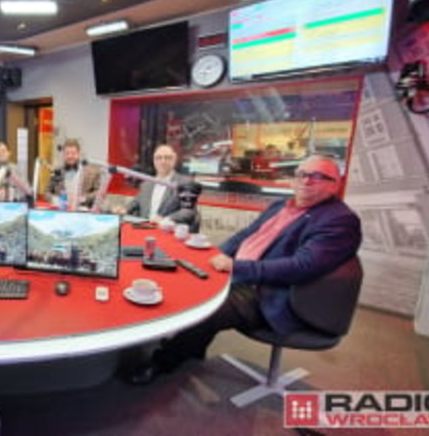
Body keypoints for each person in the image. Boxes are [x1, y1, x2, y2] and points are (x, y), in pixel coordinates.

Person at [128, 155, 362, 385]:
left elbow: (301, 267)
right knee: (186, 277)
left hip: (272, 294)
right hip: (244, 275)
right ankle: (189, 347)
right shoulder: (281, 205)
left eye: (318, 176)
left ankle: (162, 362)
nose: (306, 180)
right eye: (302, 174)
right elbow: (245, 235)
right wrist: (213, 256)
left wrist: (236, 267)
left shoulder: (339, 220)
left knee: (211, 307)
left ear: (335, 184)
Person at [113, 144, 198, 225]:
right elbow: (135, 203)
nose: (163, 161)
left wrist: (166, 219)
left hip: (167, 230)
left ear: (174, 160)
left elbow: (188, 211)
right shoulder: (146, 185)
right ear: (154, 161)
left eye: (167, 158)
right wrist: (124, 209)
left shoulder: (185, 183)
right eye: (159, 158)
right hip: (144, 228)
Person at [45, 138, 101, 208]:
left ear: (79, 154)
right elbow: (47, 192)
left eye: (73, 153)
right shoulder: (57, 171)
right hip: (61, 210)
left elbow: (99, 193)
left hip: (83, 210)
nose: (70, 156)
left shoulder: (93, 172)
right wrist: (55, 199)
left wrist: (83, 198)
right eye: (67, 153)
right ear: (63, 155)